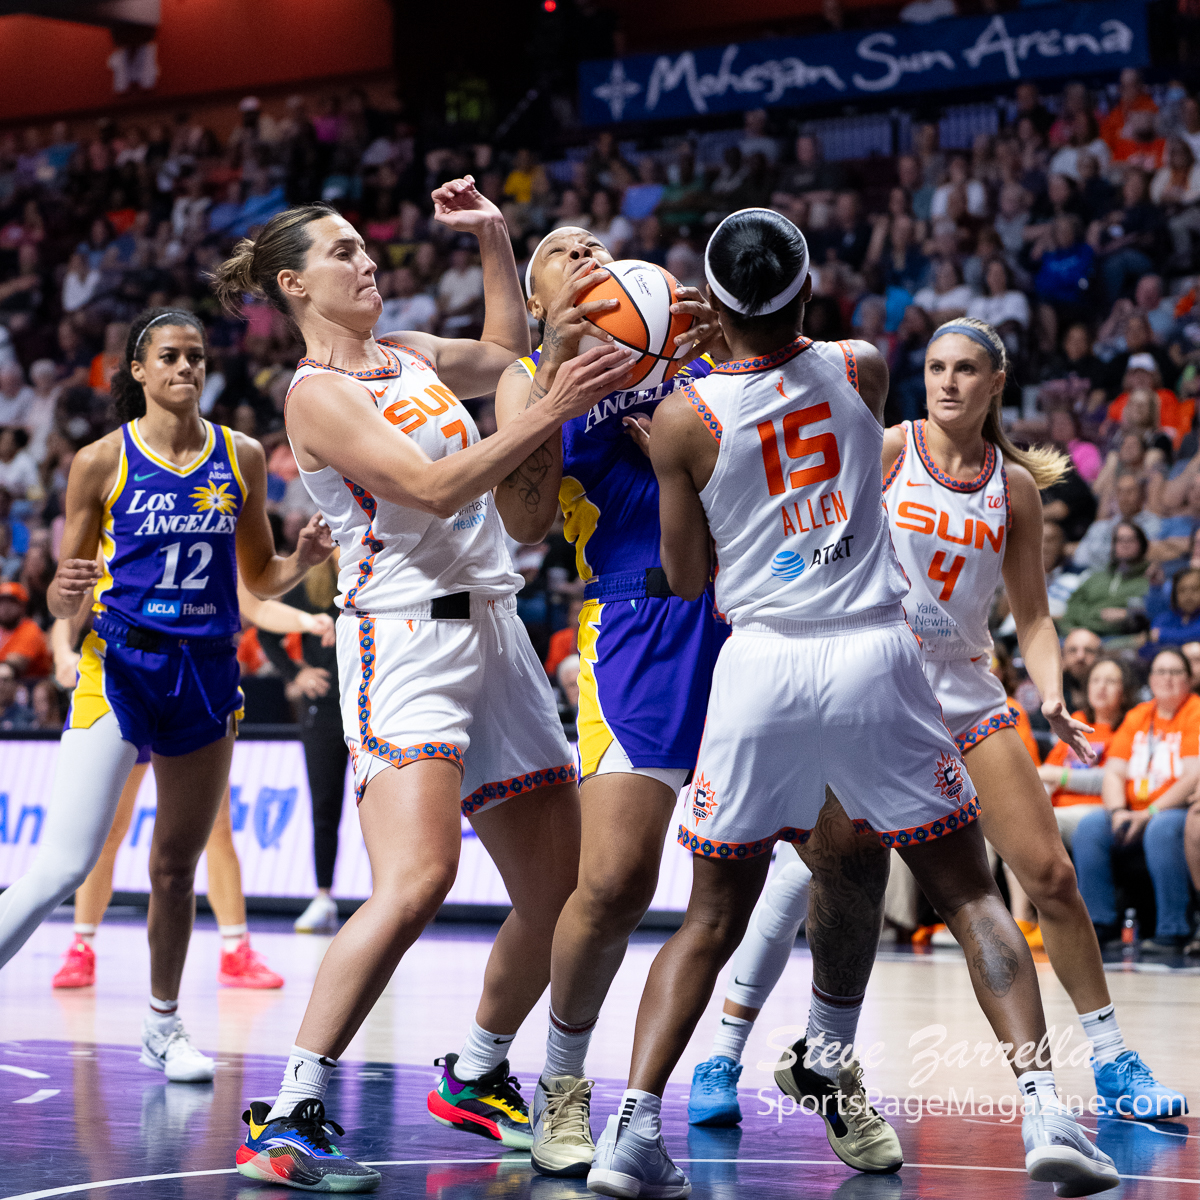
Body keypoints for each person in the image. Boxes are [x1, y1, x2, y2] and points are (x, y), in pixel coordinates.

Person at [597, 212, 1118, 1198]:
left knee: (710, 916)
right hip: (876, 656)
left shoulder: (681, 420)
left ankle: (631, 1133)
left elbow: (685, 575)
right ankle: (1047, 1113)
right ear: (804, 288)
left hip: (761, 664)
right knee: (969, 895)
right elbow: (797, 364)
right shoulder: (863, 366)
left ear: (712, 307)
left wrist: (674, 443)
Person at [215, 184, 635, 1193]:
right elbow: (440, 487)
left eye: (367, 247)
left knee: (562, 892)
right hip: (402, 639)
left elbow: (501, 355)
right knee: (416, 880)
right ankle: (292, 1112)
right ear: (294, 285)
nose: (368, 261)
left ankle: (479, 1071)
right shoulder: (316, 395)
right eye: (344, 252)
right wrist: (556, 407)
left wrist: (495, 239)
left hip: (495, 628)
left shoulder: (404, 351)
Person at [0, 306, 333, 1083]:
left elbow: (259, 578)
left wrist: (301, 559)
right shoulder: (100, 461)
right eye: (171, 357)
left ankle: (163, 1024)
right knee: (64, 864)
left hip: (208, 673)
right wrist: (61, 598)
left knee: (176, 868)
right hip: (120, 666)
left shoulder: (242, 455)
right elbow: (63, 594)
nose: (187, 368)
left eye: (197, 356)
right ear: (139, 371)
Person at [480, 224, 731, 1180]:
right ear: (536, 298)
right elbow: (526, 521)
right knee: (618, 880)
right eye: (559, 251)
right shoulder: (527, 380)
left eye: (594, 243)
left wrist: (723, 352)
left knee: (825, 852)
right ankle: (561, 1082)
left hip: (749, 608)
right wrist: (558, 377)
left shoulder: (680, 336)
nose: (583, 251)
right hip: (638, 623)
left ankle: (802, 1058)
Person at [49, 582, 335, 990]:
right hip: (127, 684)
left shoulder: (215, 545)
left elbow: (253, 605)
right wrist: (63, 653)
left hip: (193, 685)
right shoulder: (120, 547)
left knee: (218, 829)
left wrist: (306, 620)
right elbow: (69, 605)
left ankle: (235, 949)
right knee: (110, 830)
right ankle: (81, 946)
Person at [1074, 647, 1199, 955]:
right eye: (1160, 672)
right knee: (1091, 827)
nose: (1167, 679)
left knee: (1162, 829)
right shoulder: (1138, 715)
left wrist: (1150, 813)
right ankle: (1100, 925)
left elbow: (1192, 776)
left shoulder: (1194, 711)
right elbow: (1114, 773)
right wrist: (1118, 811)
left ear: (1189, 680)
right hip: (1131, 810)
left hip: (1174, 810)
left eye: (1175, 672)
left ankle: (1173, 929)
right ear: (1150, 680)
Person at [1039, 656, 1135, 851]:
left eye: (1110, 681)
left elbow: (1108, 779)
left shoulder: (1130, 726)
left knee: (1032, 829)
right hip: (1057, 808)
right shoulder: (1077, 719)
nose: (1101, 687)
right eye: (1095, 680)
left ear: (1124, 692)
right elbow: (1047, 771)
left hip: (1096, 810)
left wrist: (1059, 776)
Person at [1062, 522, 1152, 636]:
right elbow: (1072, 608)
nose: (1125, 544)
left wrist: (1128, 614)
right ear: (1113, 545)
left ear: (1142, 545)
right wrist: (1094, 617)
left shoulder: (1149, 580)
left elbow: (1148, 614)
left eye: (1130, 540)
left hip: (1124, 638)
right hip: (1083, 634)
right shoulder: (1096, 577)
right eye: (1120, 540)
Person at [0, 581, 51, 677]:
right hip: (8, 680)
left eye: (11, 602)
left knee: (4, 672)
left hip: (31, 681)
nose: (5, 608)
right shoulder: (2, 630)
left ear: (22, 606)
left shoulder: (30, 629)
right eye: (2, 602)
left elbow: (17, 664)